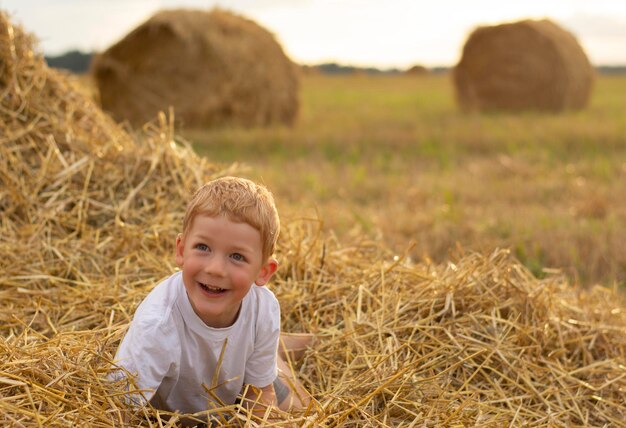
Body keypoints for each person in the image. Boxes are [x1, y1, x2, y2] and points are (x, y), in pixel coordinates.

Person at [112, 176, 313, 425]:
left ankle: (285, 349)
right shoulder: (157, 325)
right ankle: (277, 349)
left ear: (263, 272)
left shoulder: (263, 308)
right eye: (203, 247)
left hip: (237, 391)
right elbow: (117, 411)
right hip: (175, 416)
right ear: (181, 250)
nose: (216, 269)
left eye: (237, 256)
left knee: (303, 413)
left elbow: (258, 397)